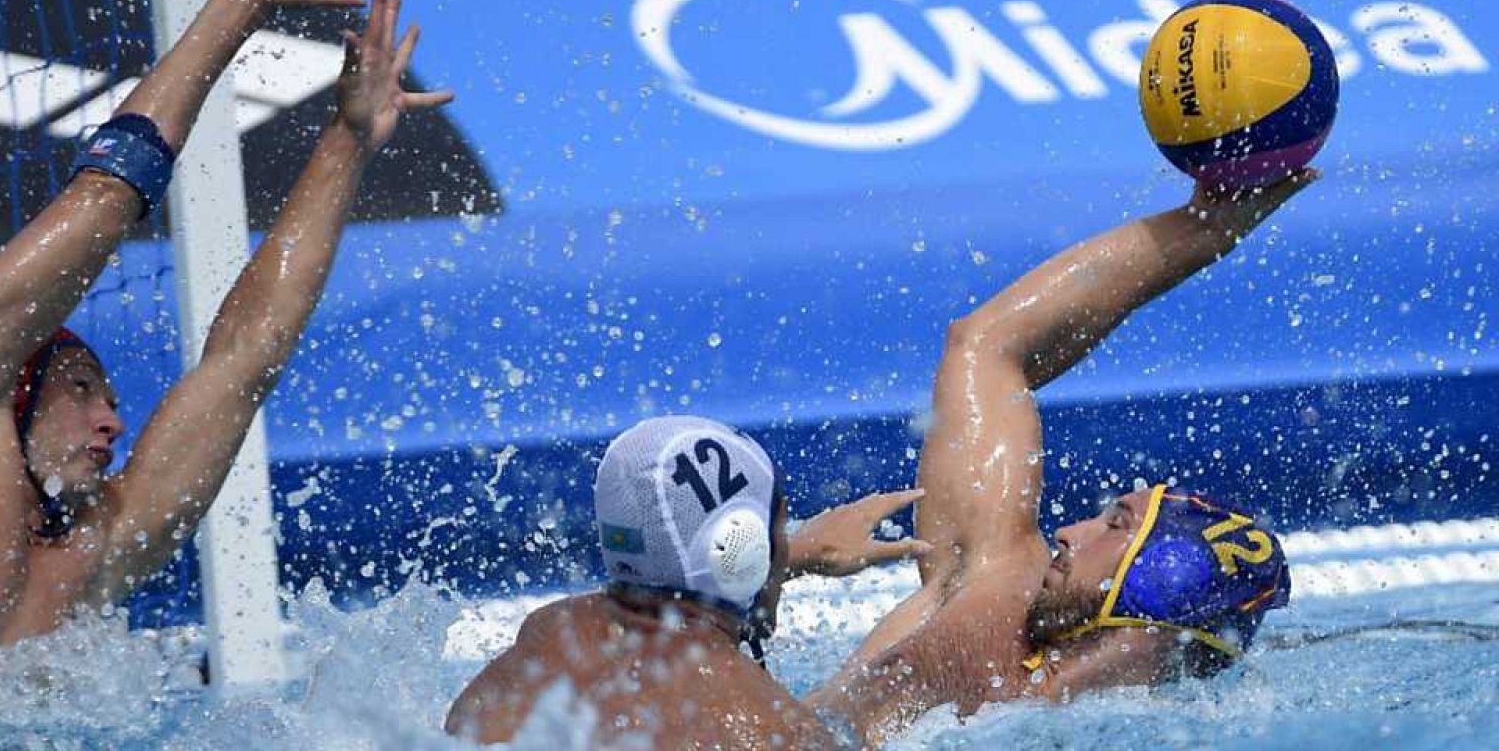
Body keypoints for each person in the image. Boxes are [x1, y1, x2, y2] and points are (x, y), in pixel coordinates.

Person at [0, 0, 451, 671]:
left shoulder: (100, 549)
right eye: (81, 387)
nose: (111, 423)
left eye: (111, 399)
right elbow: (102, 201)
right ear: (10, 388)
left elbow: (243, 361)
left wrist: (348, 143)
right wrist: (239, 4)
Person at [806, 172, 1315, 745]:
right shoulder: (988, 589)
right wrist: (1206, 229)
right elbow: (989, 345)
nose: (1069, 529)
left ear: (1154, 587)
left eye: (1115, 523)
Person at [445, 415, 931, 749]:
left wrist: (795, 552)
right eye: (778, 530)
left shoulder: (546, 637)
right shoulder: (766, 729)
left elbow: (679, 570)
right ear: (744, 548)